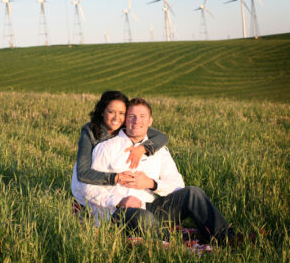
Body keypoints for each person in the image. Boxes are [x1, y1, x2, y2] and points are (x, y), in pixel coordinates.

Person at [79, 97, 235, 244]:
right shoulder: (106, 148)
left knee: (193, 193)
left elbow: (177, 184)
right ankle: (178, 239)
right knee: (142, 217)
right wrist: (120, 201)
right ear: (125, 119)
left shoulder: (159, 151)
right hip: (119, 212)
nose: (137, 121)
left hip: (153, 207)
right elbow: (88, 186)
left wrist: (151, 183)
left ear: (150, 121)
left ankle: (226, 238)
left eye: (142, 116)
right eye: (132, 116)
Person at [71, 91, 169, 206]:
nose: (116, 118)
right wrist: (116, 177)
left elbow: (161, 137)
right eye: (111, 112)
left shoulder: (126, 125)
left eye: (122, 113)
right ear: (102, 112)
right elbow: (83, 173)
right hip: (89, 181)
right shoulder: (89, 130)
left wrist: (143, 148)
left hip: (116, 185)